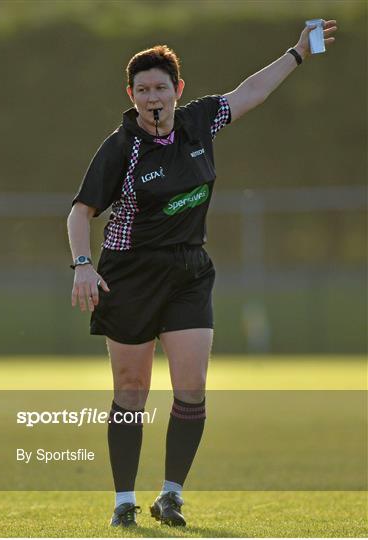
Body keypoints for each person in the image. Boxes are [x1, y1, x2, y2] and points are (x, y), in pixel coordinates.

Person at [67, 19, 337, 528]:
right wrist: (82, 264)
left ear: (177, 90)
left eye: (161, 88)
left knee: (191, 386)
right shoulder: (121, 147)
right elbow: (81, 211)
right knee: (131, 387)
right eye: (143, 89)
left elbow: (250, 91)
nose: (153, 97)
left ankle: (171, 496)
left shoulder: (198, 122)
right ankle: (123, 501)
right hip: (128, 276)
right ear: (132, 94)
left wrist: (297, 53)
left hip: (189, 270)